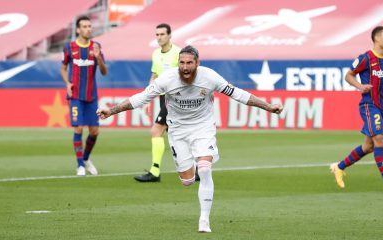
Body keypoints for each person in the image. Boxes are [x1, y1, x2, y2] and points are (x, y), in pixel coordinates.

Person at [97, 45, 283, 232]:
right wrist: (111, 110)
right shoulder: (167, 79)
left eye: (189, 63)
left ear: (197, 63)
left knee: (204, 169)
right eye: (182, 63)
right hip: (177, 131)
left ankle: (204, 219)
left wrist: (267, 106)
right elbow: (141, 98)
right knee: (187, 180)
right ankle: (194, 164)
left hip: (203, 128)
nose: (185, 67)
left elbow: (238, 94)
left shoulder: (209, 77)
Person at [330, 26, 383, 192]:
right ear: (377, 39)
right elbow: (348, 75)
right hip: (369, 105)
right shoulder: (365, 58)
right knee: (380, 141)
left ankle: (339, 167)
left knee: (369, 147)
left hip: (382, 107)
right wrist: (360, 86)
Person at [60, 16, 107, 176]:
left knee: (94, 131)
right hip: (75, 96)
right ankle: (80, 165)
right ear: (78, 30)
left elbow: (104, 71)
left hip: (91, 96)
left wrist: (98, 57)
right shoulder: (69, 48)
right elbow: (63, 68)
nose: (88, 29)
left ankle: (86, 159)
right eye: (85, 26)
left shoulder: (96, 47)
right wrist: (67, 83)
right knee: (78, 127)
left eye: (90, 26)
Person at [134, 23, 181, 182]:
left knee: (156, 131)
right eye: (157, 35)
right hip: (163, 97)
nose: (159, 37)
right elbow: (154, 76)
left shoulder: (178, 53)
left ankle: (154, 172)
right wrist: (148, 97)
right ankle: (195, 170)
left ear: (170, 35)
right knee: (177, 135)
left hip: (175, 98)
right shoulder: (155, 54)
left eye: (162, 34)